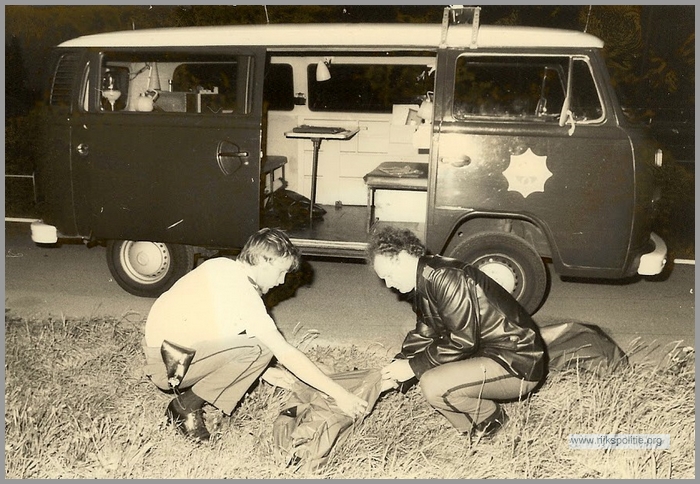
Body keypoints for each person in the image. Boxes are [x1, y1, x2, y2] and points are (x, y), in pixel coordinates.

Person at [142, 227, 369, 442]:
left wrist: (263, 371)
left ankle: (189, 400)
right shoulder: (244, 294)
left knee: (258, 351)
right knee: (261, 348)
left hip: (163, 355)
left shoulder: (221, 266)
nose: (281, 281)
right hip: (170, 367)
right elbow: (283, 351)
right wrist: (340, 395)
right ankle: (184, 407)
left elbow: (219, 330)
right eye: (281, 272)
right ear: (262, 261)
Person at [368, 227, 546, 438]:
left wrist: (413, 366)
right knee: (429, 373)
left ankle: (491, 424)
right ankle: (471, 431)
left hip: (516, 361)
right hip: (491, 354)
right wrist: (394, 373)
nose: (388, 284)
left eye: (388, 275)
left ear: (404, 257)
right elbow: (425, 334)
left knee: (433, 384)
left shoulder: (445, 277)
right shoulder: (424, 280)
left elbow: (463, 341)